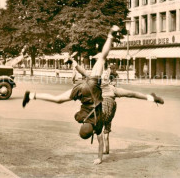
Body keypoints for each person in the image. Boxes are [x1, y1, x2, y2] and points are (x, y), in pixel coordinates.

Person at [22, 25, 121, 165]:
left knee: (102, 58)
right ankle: (31, 95)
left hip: (89, 88)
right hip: (84, 91)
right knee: (58, 99)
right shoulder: (82, 119)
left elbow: (99, 143)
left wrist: (99, 158)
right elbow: (81, 120)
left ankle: (110, 34)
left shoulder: (98, 125)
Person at [67, 58, 164, 155]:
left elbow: (83, 71)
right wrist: (73, 61)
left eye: (106, 76)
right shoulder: (104, 86)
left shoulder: (101, 85)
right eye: (104, 76)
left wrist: (73, 62)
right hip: (105, 110)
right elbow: (132, 94)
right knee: (104, 127)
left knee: (102, 126)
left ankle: (152, 98)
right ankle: (151, 98)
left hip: (103, 110)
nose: (104, 77)